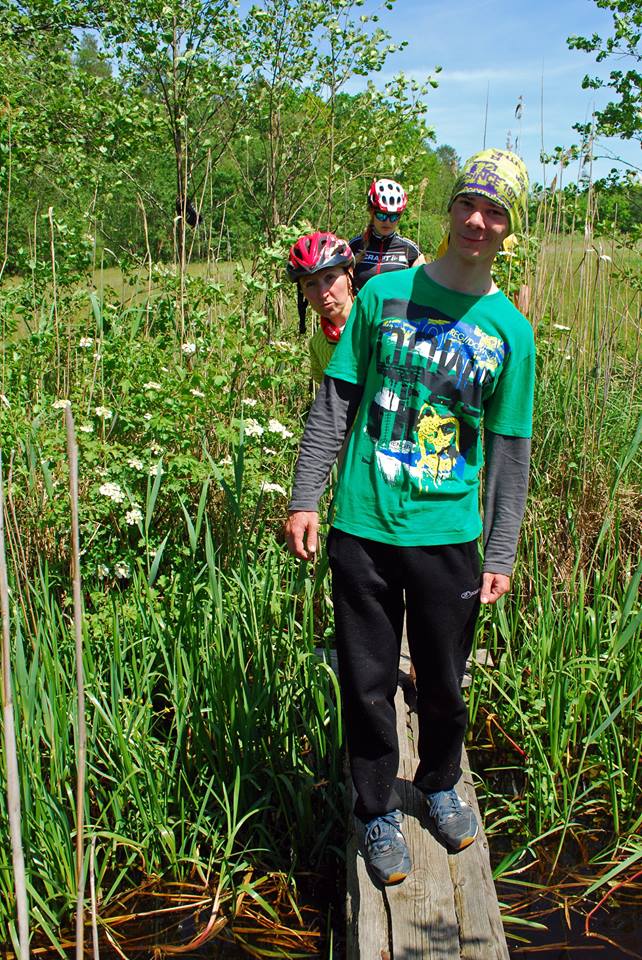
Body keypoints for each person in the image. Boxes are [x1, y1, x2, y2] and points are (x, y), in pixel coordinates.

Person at [285, 148, 534, 886]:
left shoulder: (510, 332)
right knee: (367, 683)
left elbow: (508, 451)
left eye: (495, 212)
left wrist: (501, 551)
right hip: (363, 526)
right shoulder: (382, 295)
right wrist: (305, 496)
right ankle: (375, 809)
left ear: (509, 227)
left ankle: (439, 782)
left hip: (449, 537)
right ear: (449, 209)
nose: (477, 221)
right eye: (467, 204)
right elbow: (335, 403)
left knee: (445, 682)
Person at [287, 231, 355, 385]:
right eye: (310, 284)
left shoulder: (377, 324)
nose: (322, 293)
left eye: (329, 277)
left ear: (349, 274)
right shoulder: (317, 344)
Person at [350, 178, 425, 291]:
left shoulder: (410, 250)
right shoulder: (355, 245)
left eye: (393, 216)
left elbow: (423, 289)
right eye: (382, 215)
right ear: (371, 212)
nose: (387, 222)